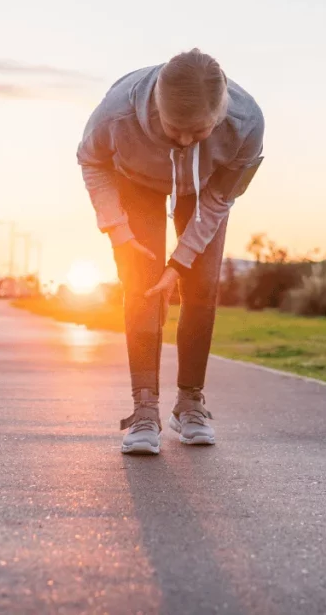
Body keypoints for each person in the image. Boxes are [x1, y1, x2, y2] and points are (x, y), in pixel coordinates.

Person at [77, 49, 265, 455]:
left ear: (219, 117)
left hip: (203, 190)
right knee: (141, 285)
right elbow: (90, 160)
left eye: (197, 133)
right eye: (172, 129)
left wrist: (181, 262)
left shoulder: (247, 123)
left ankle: (189, 404)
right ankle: (144, 410)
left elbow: (219, 200)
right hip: (136, 182)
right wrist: (119, 233)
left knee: (203, 286)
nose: (182, 141)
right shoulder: (116, 114)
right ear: (156, 108)